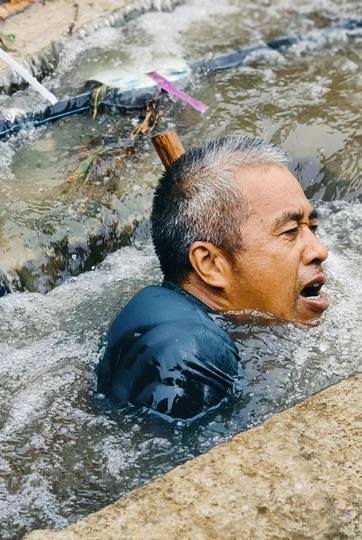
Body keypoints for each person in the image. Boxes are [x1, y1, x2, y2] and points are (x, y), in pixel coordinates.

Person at [96, 136, 330, 420]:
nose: (320, 250)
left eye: (312, 226)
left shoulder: (164, 311)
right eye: (290, 231)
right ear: (210, 264)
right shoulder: (188, 357)